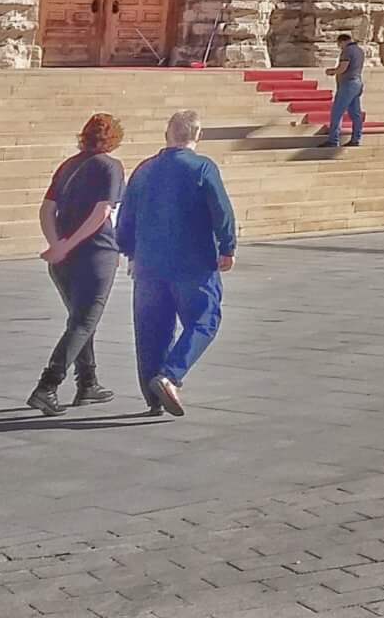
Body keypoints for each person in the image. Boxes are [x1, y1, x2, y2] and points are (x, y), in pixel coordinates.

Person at [116, 108, 237, 417]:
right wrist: (227, 247)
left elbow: (126, 215)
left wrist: (129, 251)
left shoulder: (144, 170)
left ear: (166, 134)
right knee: (204, 320)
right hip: (193, 262)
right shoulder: (202, 168)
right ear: (198, 135)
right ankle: (170, 375)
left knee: (151, 328)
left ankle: (152, 395)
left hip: (149, 263)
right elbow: (221, 210)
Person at [28, 113, 126, 416]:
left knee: (80, 321)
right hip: (96, 254)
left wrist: (57, 244)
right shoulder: (110, 166)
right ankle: (48, 385)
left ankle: (88, 382)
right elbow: (101, 213)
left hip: (63, 259)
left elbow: (46, 209)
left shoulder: (69, 165)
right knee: (84, 321)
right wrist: (69, 245)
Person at [324, 32, 366, 148]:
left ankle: (333, 140)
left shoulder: (347, 51)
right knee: (355, 113)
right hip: (357, 82)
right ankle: (356, 138)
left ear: (342, 42)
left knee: (337, 112)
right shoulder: (359, 50)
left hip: (348, 84)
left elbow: (343, 68)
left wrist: (332, 71)